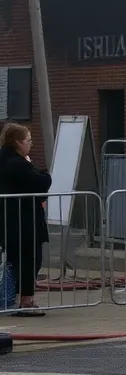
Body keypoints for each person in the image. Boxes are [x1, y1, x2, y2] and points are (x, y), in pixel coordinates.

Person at [0, 123, 51, 317]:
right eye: (28, 140)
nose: (31, 144)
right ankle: (25, 301)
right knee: (29, 259)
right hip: (23, 222)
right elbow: (41, 182)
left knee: (14, 260)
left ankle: (10, 298)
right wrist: (44, 173)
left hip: (10, 221)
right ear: (18, 142)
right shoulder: (17, 164)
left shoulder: (7, 160)